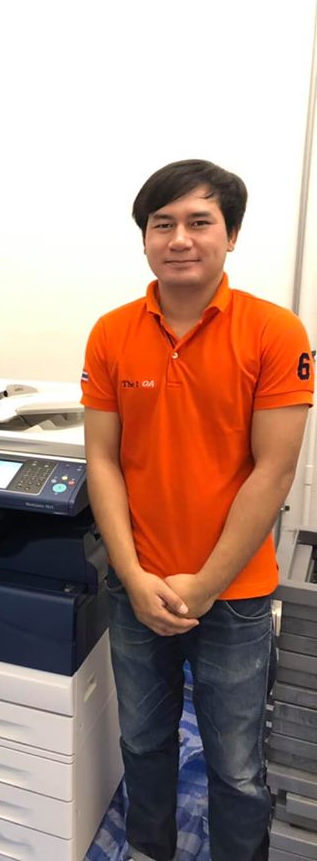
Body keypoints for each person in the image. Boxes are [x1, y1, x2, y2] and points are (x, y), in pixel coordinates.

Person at [81, 159, 314, 861]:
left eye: (199, 222)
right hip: (138, 587)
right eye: (163, 224)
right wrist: (132, 574)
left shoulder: (276, 333)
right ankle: (149, 848)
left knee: (237, 764)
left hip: (234, 594)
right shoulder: (112, 332)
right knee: (143, 741)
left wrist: (206, 584)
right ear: (145, 239)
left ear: (231, 235)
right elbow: (102, 461)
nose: (179, 239)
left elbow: (274, 471)